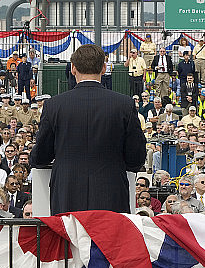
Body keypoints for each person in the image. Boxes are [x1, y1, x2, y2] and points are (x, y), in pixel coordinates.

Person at [30, 44, 147, 214]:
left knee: (68, 241)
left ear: (73, 68)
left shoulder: (54, 105)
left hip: (67, 195)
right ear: (104, 68)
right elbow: (136, 157)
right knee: (108, 240)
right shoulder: (124, 104)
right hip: (111, 196)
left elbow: (41, 156)